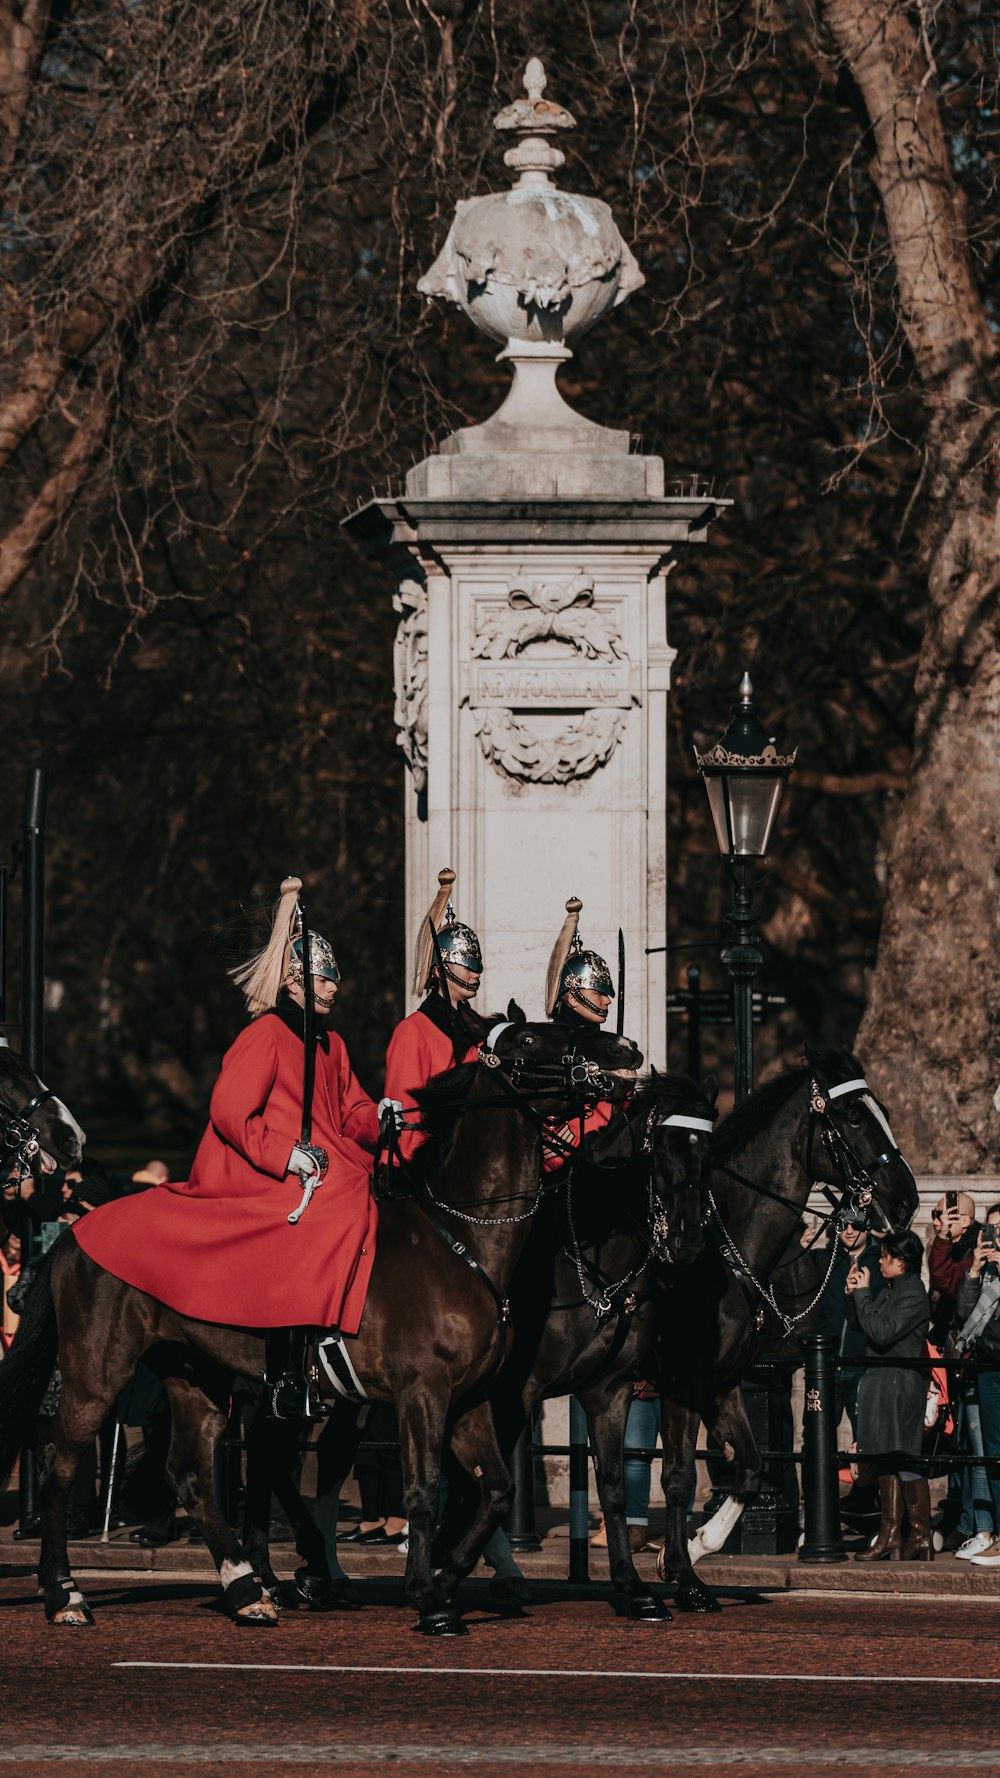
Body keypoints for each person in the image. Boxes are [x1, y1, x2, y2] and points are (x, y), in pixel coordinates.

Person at [74, 875, 388, 1419]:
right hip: (260, 1165)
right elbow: (230, 1112)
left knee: (365, 1183)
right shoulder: (264, 1036)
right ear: (295, 981)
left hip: (323, 1160)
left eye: (334, 977)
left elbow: (351, 1109)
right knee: (336, 1197)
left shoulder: (330, 1042)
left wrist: (384, 1117)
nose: (336, 987)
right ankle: (290, 1367)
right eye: (325, 977)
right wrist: (285, 1154)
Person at [382, 867, 482, 1171]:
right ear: (439, 970)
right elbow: (407, 1116)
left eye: (476, 963)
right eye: (466, 964)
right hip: (432, 1168)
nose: (475, 973)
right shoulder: (412, 1032)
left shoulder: (478, 1030)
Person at [847, 1229, 931, 1562]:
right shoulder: (894, 1289)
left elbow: (882, 1333)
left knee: (903, 1458)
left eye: (885, 1257)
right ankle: (891, 1536)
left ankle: (919, 1538)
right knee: (886, 1459)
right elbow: (862, 1325)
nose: (880, 1262)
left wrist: (864, 1295)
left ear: (901, 1260)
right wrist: (853, 1294)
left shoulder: (913, 1293)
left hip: (899, 1383)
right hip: (883, 1381)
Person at [541, 896, 632, 1169]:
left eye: (608, 994)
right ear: (571, 997)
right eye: (598, 993)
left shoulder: (610, 1046)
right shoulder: (547, 1045)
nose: (607, 1001)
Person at [954, 1203, 1000, 1565]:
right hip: (986, 1368)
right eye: (992, 1230)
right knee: (993, 1454)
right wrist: (973, 1271)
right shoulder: (986, 1272)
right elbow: (964, 1314)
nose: (995, 1237)